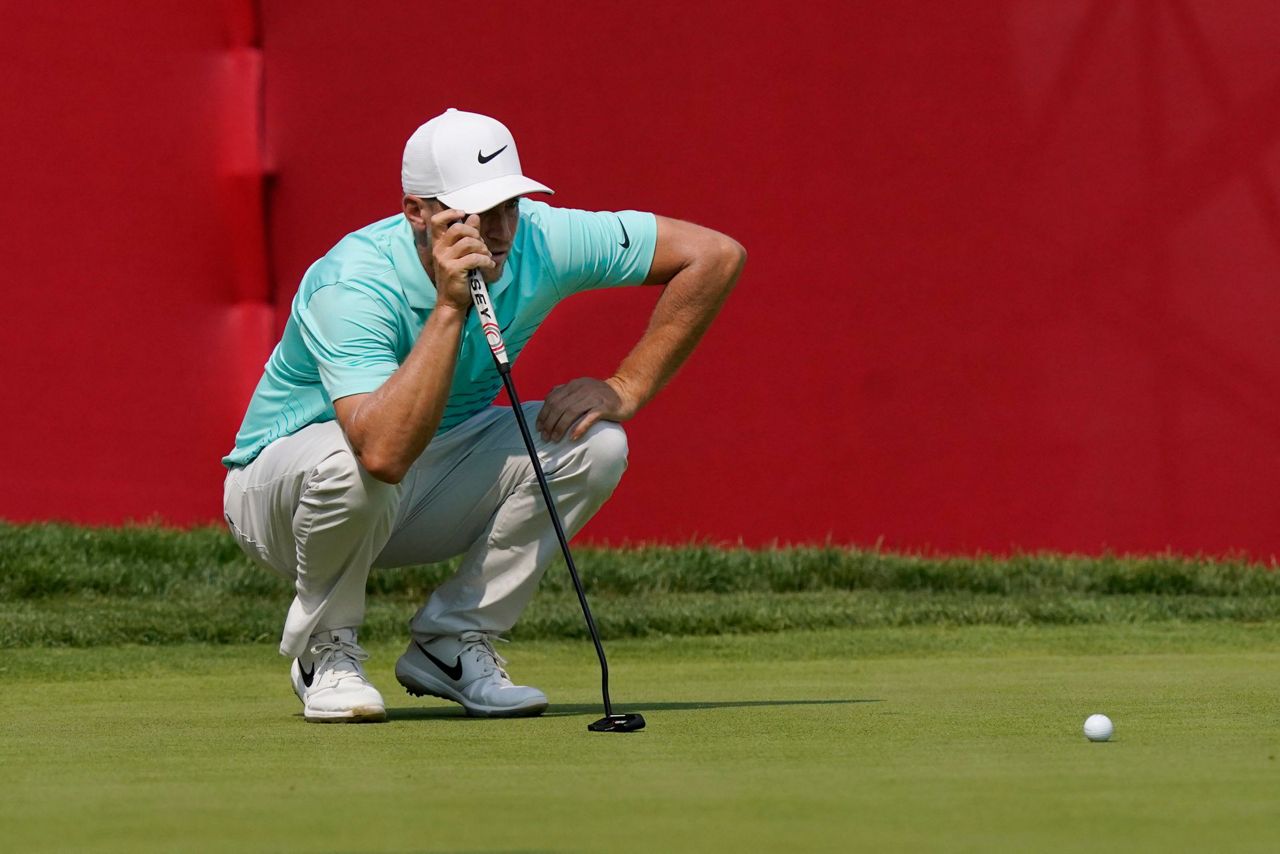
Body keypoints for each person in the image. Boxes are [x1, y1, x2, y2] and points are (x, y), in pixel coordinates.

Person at [221, 108, 745, 723]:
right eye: (473, 211)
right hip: (283, 496)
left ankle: (451, 643)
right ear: (416, 211)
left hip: (421, 478)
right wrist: (449, 307)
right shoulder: (352, 283)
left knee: (596, 444)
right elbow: (382, 452)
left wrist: (626, 385)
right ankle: (326, 652)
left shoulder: (542, 238)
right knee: (355, 462)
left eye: (509, 206)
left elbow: (714, 255)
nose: (497, 230)